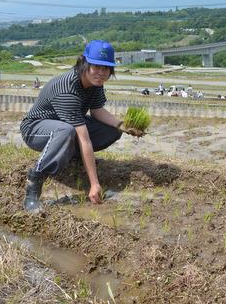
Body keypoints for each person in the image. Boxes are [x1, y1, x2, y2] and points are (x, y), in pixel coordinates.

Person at [20, 40, 144, 213]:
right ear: (84, 63)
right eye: (96, 66)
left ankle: (70, 157)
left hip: (65, 126)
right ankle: (34, 185)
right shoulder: (67, 88)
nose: (101, 73)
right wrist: (94, 184)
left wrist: (122, 126)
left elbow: (97, 110)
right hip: (35, 129)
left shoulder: (95, 83)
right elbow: (84, 138)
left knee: (111, 131)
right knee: (66, 131)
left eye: (106, 68)